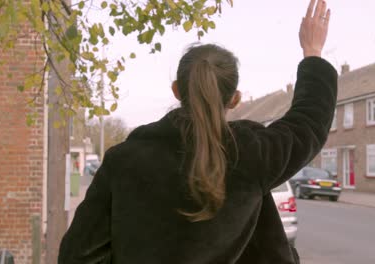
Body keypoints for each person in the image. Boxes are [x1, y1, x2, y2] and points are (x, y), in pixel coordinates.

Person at [58, 0, 337, 263]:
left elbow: (78, 255)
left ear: (177, 90)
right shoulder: (251, 153)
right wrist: (312, 52)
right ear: (234, 99)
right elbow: (308, 122)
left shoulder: (124, 161)